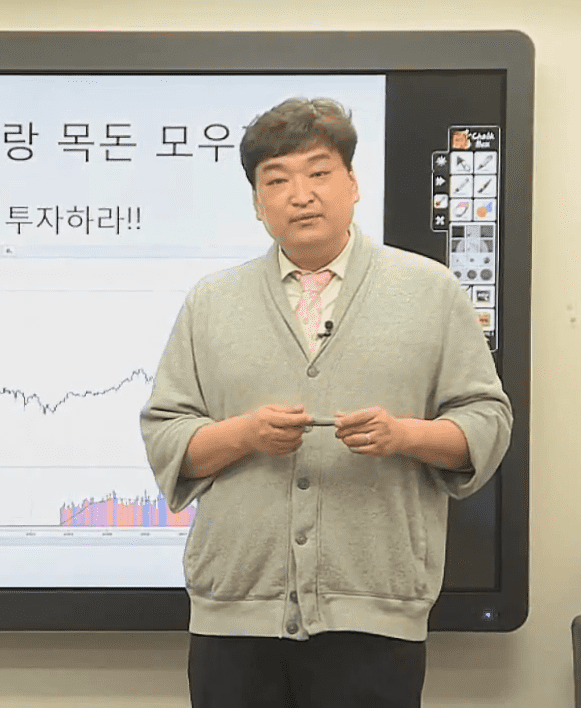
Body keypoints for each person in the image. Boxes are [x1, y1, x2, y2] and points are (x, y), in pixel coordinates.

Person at [139, 97, 512, 708]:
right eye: (276, 180)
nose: (301, 195)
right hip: (235, 619)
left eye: (319, 173)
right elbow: (166, 434)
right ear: (257, 202)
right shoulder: (211, 301)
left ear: (353, 184)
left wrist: (404, 436)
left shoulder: (431, 291)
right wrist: (246, 435)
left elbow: (487, 421)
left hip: (377, 612)